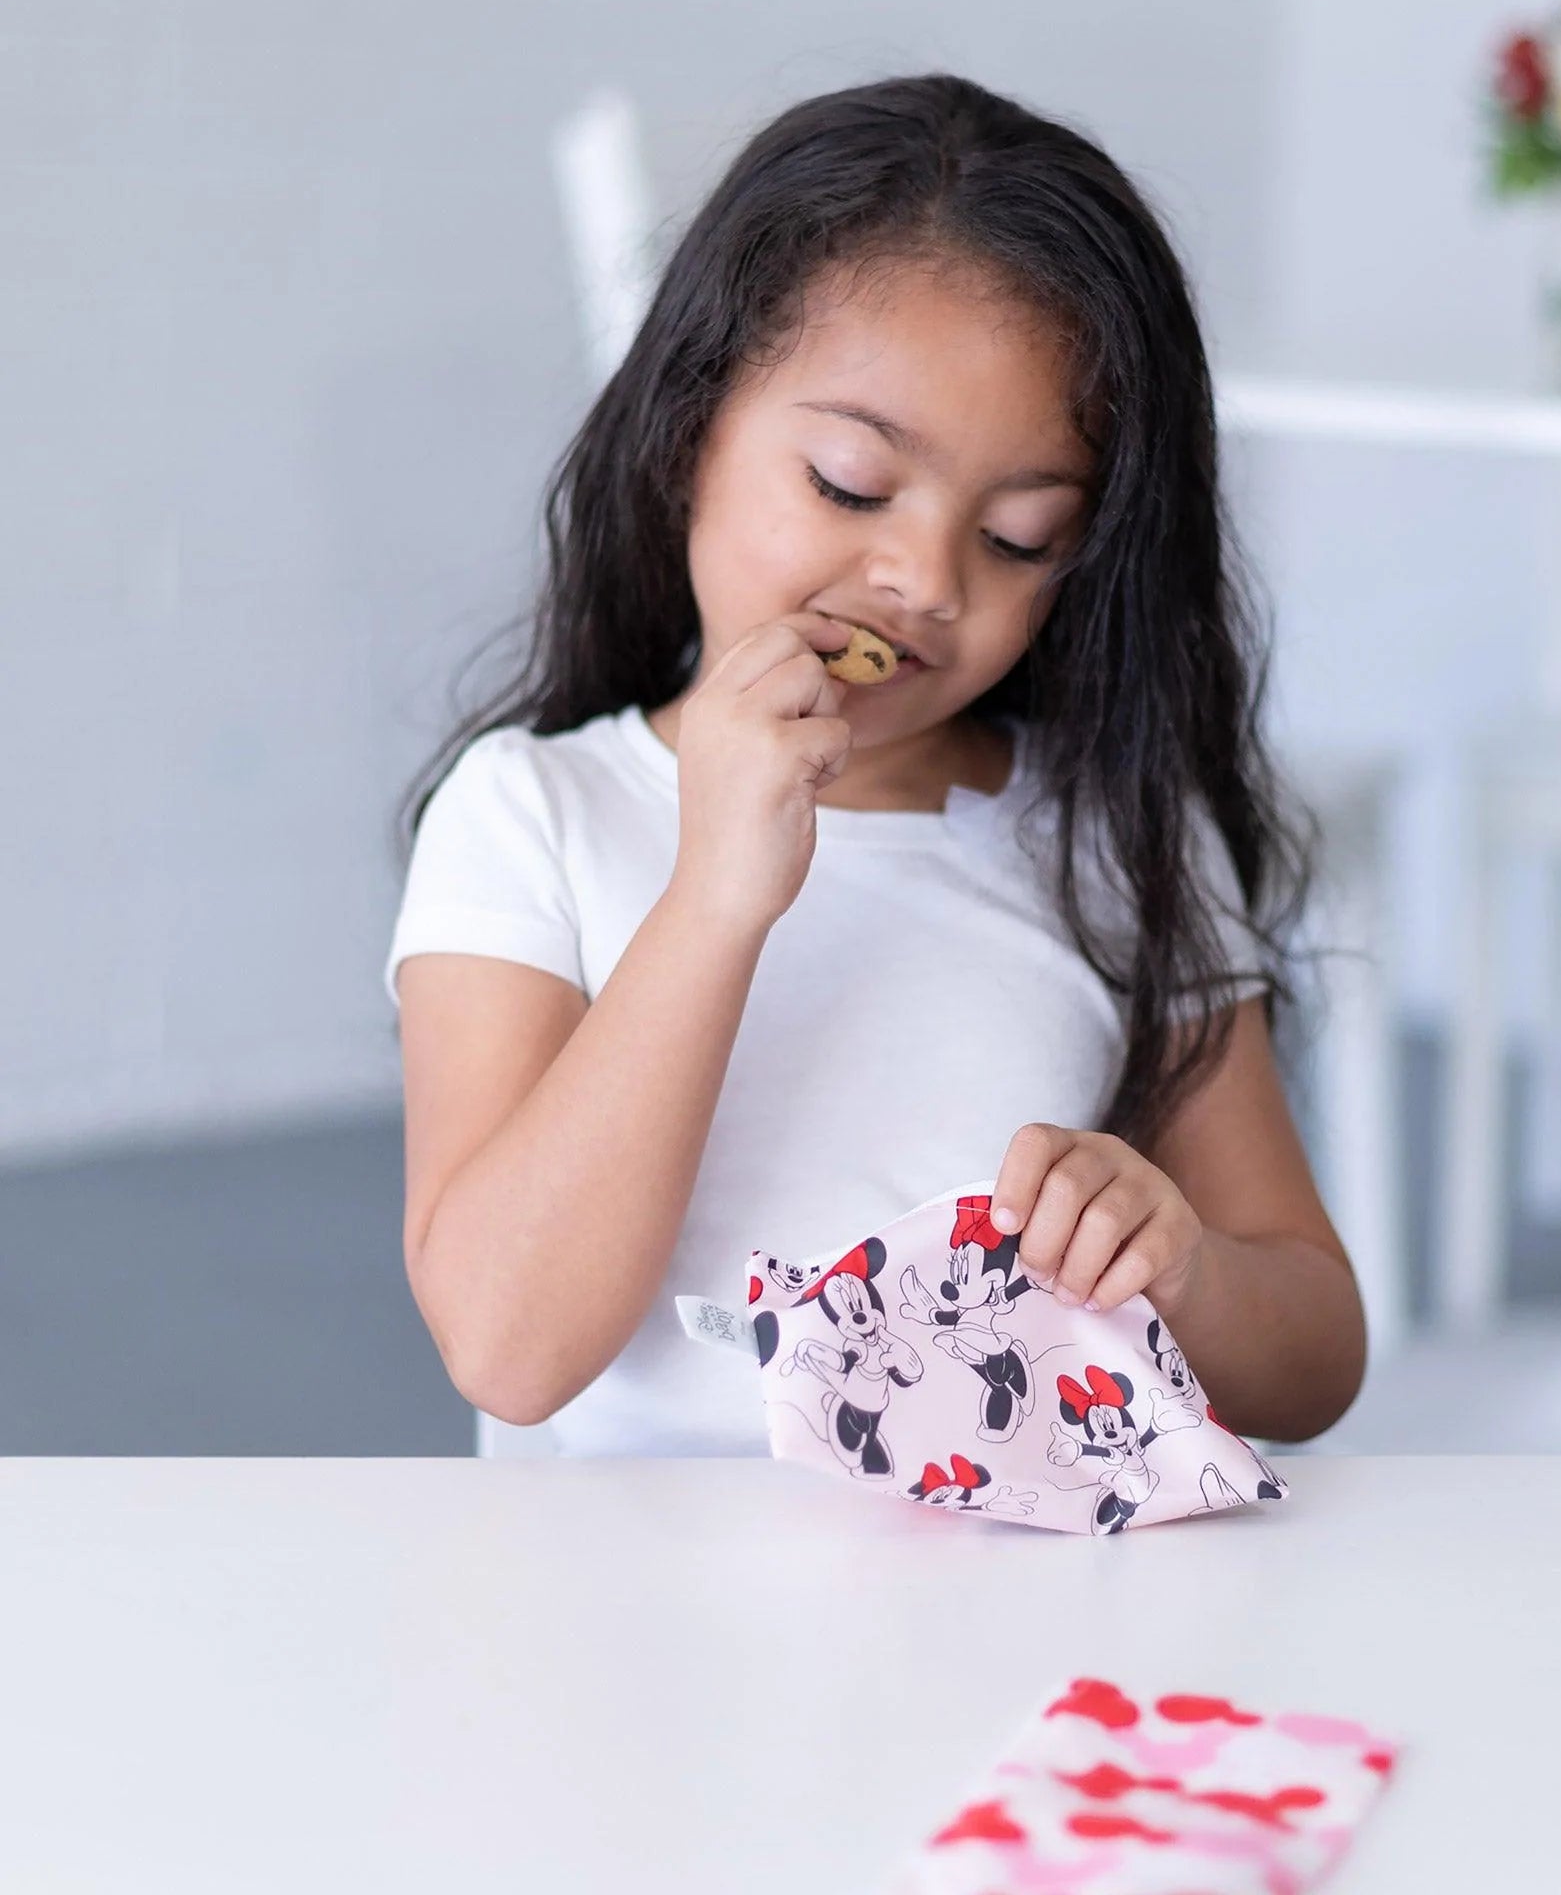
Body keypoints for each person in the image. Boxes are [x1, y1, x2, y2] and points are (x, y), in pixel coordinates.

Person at [384, 72, 1367, 1457]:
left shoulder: (1114, 840)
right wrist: (719, 892)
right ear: (687, 434)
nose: (922, 579)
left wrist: (1185, 1265)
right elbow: (509, 1347)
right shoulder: (534, 816)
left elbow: (1316, 1353)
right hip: (614, 1639)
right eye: (850, 483)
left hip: (997, 1623)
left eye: (1021, 537)